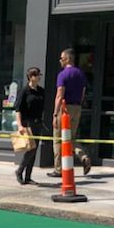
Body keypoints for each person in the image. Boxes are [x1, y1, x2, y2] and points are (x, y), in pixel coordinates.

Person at [50, 48, 87, 177]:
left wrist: (55, 114)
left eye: (61, 58)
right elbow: (83, 93)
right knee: (71, 138)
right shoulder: (80, 74)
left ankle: (58, 169)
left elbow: (59, 95)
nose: (60, 60)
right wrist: (78, 106)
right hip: (77, 108)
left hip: (64, 109)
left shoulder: (63, 75)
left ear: (67, 59)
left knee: (58, 140)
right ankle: (83, 156)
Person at [13, 66, 47, 185]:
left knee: (34, 150)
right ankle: (19, 171)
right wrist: (19, 125)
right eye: (37, 75)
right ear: (31, 77)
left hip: (37, 123)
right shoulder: (24, 91)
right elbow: (18, 109)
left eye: (39, 75)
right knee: (31, 149)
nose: (39, 77)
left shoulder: (41, 91)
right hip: (27, 123)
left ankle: (28, 176)